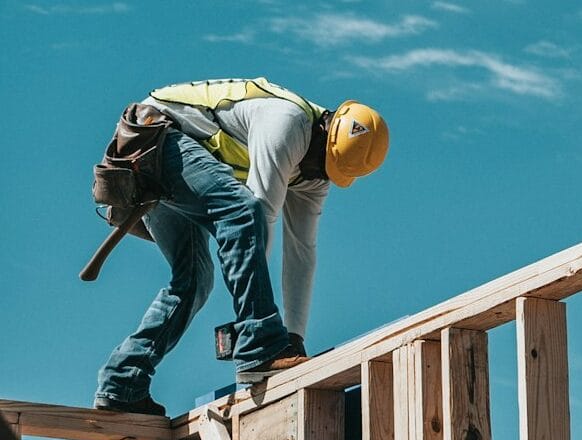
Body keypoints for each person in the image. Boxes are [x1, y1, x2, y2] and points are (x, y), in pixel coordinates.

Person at [92, 77, 389, 416]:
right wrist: (260, 334)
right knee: (242, 210)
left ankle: (122, 382)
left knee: (193, 281)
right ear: (325, 129)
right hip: (154, 138)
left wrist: (294, 337)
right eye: (320, 163)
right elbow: (257, 216)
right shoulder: (287, 122)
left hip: (169, 158)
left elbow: (302, 253)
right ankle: (259, 343)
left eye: (327, 171)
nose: (316, 174)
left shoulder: (314, 174)